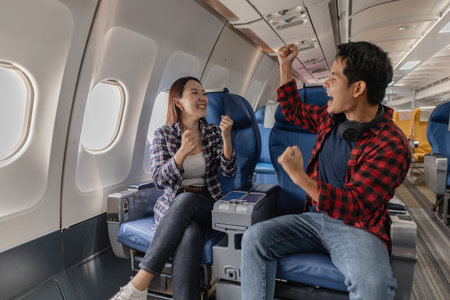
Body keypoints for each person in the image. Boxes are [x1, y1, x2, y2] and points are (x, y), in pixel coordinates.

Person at [241, 42, 411, 300]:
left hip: (358, 229)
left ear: (357, 88)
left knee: (374, 286)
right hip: (314, 218)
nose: (325, 84)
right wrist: (285, 67)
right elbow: (292, 110)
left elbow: (355, 205)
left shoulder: (391, 144)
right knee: (254, 238)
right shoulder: (331, 117)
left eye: (333, 77)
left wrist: (300, 178)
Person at [112, 76, 236, 300]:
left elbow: (228, 172)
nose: (202, 98)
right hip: (172, 209)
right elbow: (159, 180)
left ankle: (139, 284)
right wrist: (181, 153)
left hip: (206, 205)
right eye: (195, 93)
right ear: (178, 102)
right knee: (189, 234)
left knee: (186, 201)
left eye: (204, 93)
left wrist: (226, 138)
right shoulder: (163, 134)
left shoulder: (213, 133)